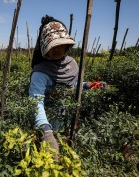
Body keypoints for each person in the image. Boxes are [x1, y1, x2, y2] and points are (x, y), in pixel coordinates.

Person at [29, 15, 108, 156]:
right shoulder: (41, 73)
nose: (57, 49)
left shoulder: (71, 64)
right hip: (45, 122)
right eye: (53, 45)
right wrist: (46, 132)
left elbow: (73, 85)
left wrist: (88, 85)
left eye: (60, 45)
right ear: (44, 47)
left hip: (65, 117)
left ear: (67, 45)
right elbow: (36, 102)